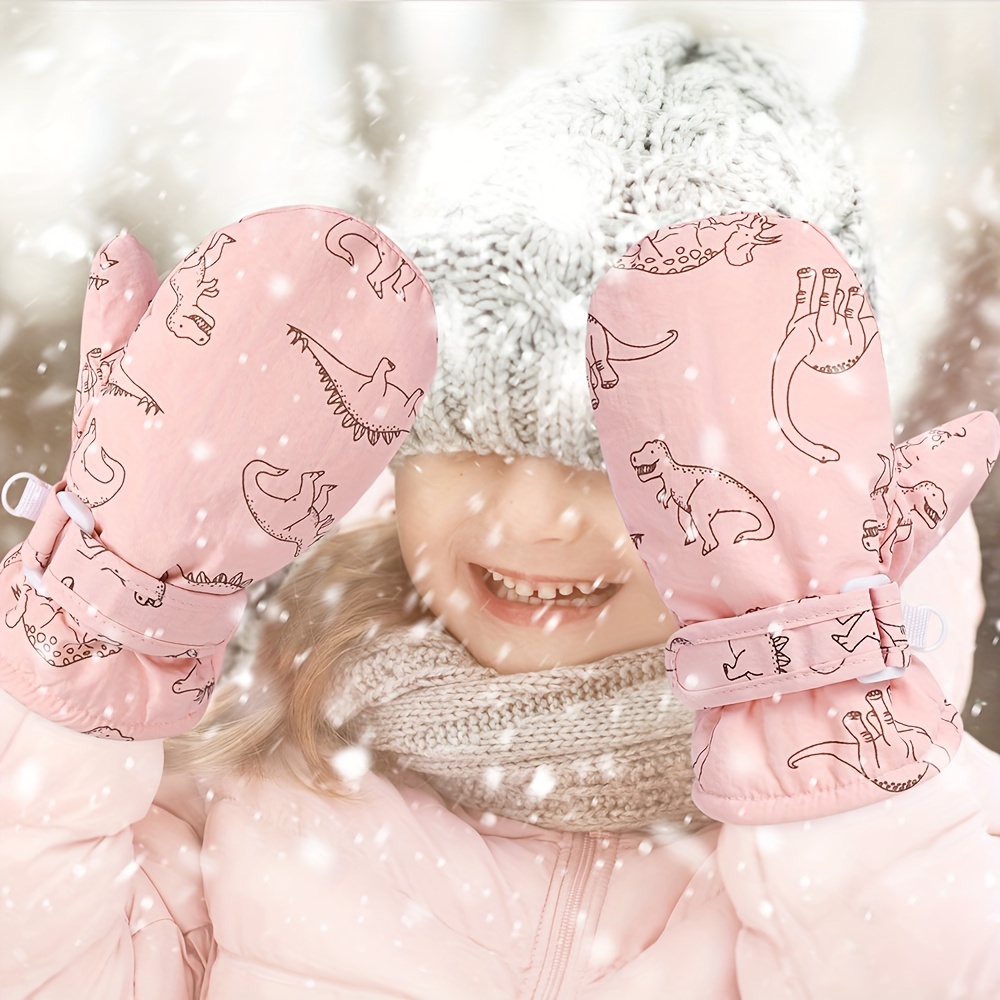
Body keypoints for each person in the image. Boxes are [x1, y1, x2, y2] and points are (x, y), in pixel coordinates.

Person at [2, 22, 999, 1000]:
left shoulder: (904, 831)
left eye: (622, 470)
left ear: (796, 492)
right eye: (470, 439)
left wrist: (813, 720)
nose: (534, 516)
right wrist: (89, 632)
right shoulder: (259, 754)